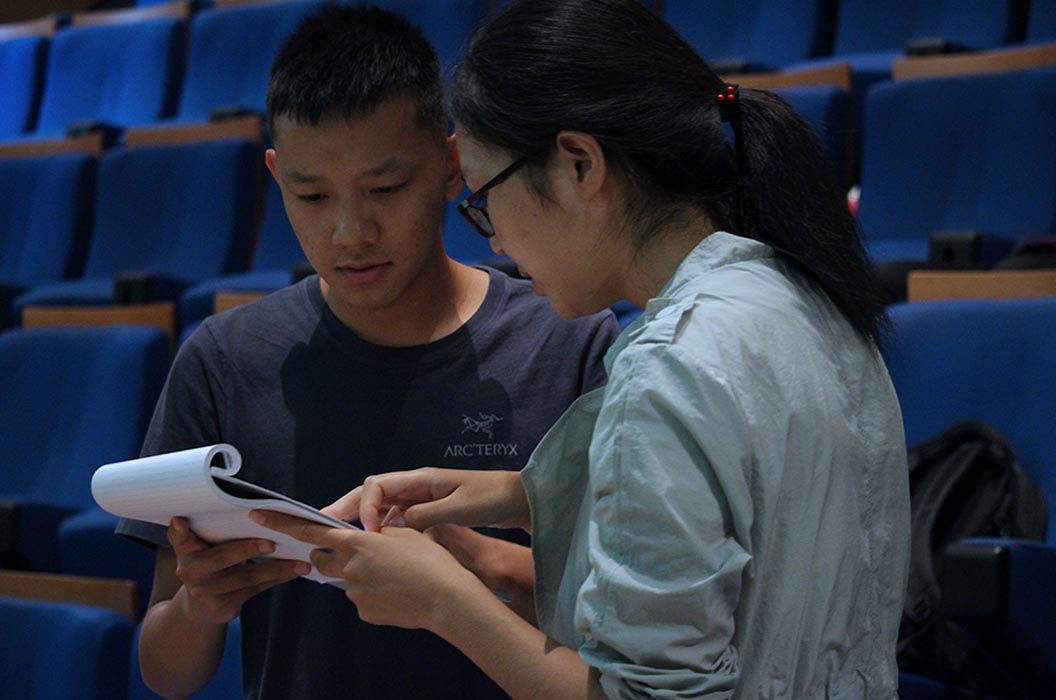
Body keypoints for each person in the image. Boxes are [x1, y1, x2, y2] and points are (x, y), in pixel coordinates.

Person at [253, 0, 913, 698]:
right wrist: (518, 503)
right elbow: (757, 532)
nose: (495, 240)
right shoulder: (804, 293)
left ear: (578, 166)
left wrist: (447, 603)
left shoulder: (667, 369)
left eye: (484, 200)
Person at [116, 5, 619, 699]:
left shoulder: (569, 341)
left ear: (450, 166)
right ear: (274, 176)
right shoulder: (224, 359)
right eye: (312, 194)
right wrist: (203, 606)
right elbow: (165, 673)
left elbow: (626, 626)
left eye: (385, 189)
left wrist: (471, 567)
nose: (351, 232)